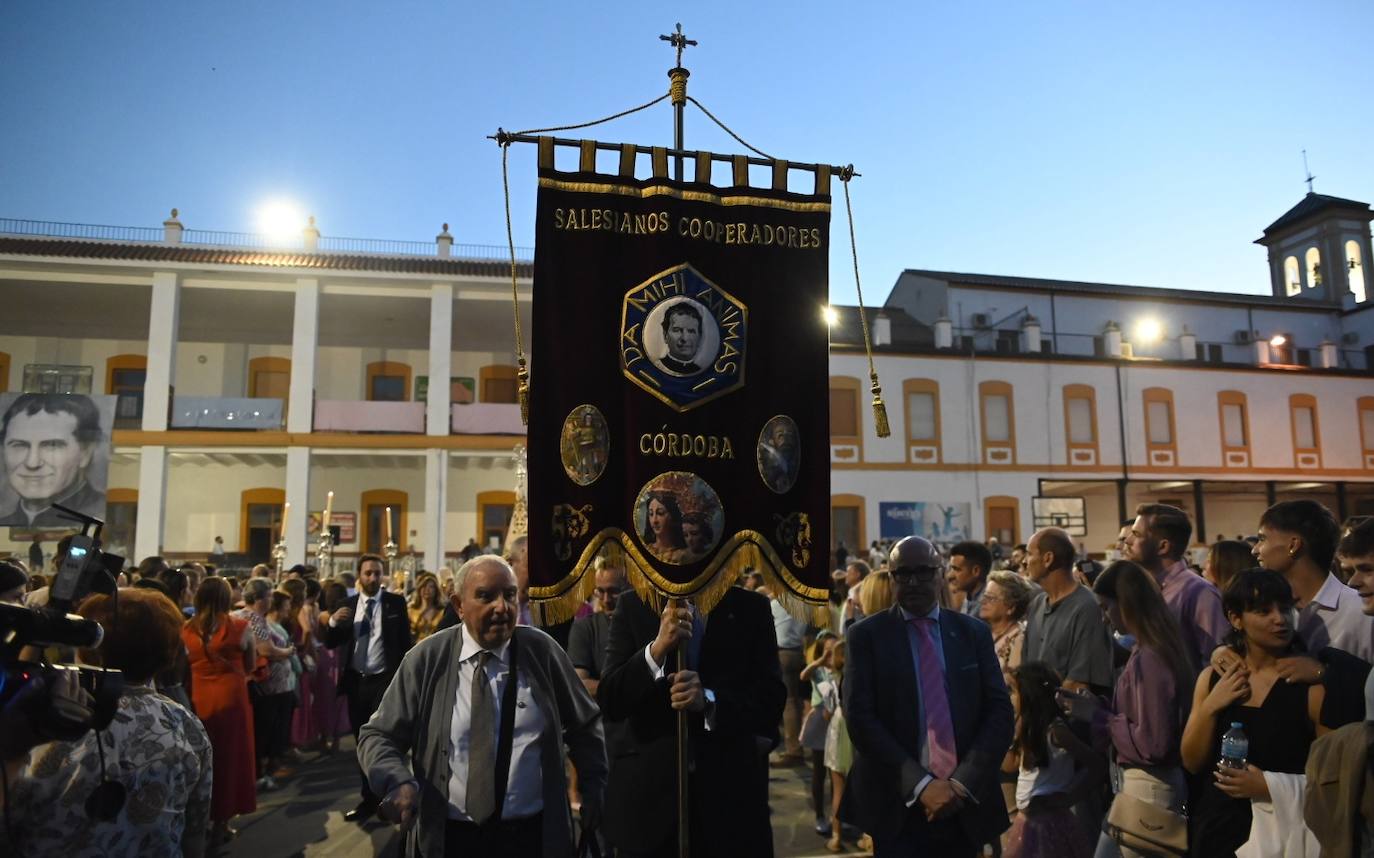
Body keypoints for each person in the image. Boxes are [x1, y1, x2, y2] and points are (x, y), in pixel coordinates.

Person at [357, 555, 606, 858]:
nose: (502, 607)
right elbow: (378, 735)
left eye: (510, 595)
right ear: (458, 604)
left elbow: (584, 725)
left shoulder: (542, 653)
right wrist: (397, 781)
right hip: (450, 837)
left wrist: (595, 789)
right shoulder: (426, 660)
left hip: (530, 837)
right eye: (486, 596)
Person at [1, 588, 212, 858]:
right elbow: (194, 830)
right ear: (168, 654)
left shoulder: (41, 722)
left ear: (88, 647)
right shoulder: (186, 723)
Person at [843, 535, 1015, 857]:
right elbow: (860, 719)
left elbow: (999, 712)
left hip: (963, 802)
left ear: (940, 573)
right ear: (891, 577)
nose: (914, 581)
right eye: (903, 573)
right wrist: (921, 785)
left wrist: (961, 784)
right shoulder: (866, 636)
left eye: (924, 571)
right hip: (899, 804)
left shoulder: (972, 632)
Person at [597, 581, 785, 856]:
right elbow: (611, 700)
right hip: (650, 809)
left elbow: (771, 700)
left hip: (729, 804)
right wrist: (656, 650)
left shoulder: (750, 607)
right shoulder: (634, 605)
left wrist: (709, 701)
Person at [1182, 568, 1326, 857]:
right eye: (1263, 611)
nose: (1279, 619)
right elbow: (1192, 761)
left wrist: (1269, 786)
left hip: (1284, 831)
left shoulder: (1308, 685)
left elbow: (1331, 777)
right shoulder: (1213, 678)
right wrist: (1210, 707)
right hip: (1217, 828)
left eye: (1285, 609)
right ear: (1236, 619)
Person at [1061, 561, 1196, 858]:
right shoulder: (1149, 652)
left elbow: (1153, 743)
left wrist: (1098, 717)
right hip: (1139, 787)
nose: (1106, 618)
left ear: (1127, 604)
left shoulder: (1151, 659)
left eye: (1107, 607)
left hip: (1149, 788)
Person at [322, 553, 413, 823]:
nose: (372, 578)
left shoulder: (395, 603)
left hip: (385, 681)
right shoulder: (347, 605)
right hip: (356, 681)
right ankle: (368, 799)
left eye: (377, 573)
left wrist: (405, 682)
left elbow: (404, 643)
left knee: (384, 739)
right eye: (368, 573)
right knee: (362, 741)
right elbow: (331, 643)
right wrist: (333, 622)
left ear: (383, 575)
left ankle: (390, 796)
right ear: (359, 576)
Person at [183, 576, 257, 846]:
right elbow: (250, 666)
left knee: (202, 760)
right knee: (230, 762)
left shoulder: (186, 629)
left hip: (198, 698)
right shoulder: (241, 627)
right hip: (232, 699)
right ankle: (222, 823)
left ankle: (198, 820)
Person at [1254, 499, 1374, 663]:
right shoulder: (1267, 606)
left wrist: (1324, 673)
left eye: (1262, 539)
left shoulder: (1361, 612)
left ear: (1294, 545)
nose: (1255, 550)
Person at [1005, 662, 1099, 858]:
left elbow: (1097, 764)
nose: (1010, 697)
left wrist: (1071, 796)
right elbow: (1009, 765)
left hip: (1050, 823)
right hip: (1027, 822)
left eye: (1013, 692)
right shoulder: (1028, 730)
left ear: (1030, 696)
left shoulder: (1056, 732)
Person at [1126, 503, 1228, 670]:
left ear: (1163, 546)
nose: (1128, 541)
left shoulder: (1199, 593)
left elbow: (1217, 661)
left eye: (1136, 534)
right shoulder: (1149, 590)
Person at [1022, 528, 1114, 697]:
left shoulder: (1087, 607)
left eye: (1029, 554)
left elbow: (1079, 685)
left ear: (1047, 559)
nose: (1024, 561)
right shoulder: (1037, 604)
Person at [0, 392, 105, 527]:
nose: (32, 463)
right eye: (19, 445)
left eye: (52, 445)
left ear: (85, 453)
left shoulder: (102, 519)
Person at [235, 578, 298, 790]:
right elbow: (266, 650)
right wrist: (288, 652)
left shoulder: (238, 614)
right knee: (268, 733)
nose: (272, 599)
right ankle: (261, 775)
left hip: (265, 685)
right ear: (261, 599)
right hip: (270, 687)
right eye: (270, 595)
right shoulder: (254, 619)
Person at [800, 632, 839, 837]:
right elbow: (803, 676)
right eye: (827, 650)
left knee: (837, 774)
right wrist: (820, 661)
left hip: (837, 722)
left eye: (835, 650)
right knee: (819, 772)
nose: (831, 655)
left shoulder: (840, 668)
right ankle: (819, 815)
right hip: (819, 722)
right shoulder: (818, 670)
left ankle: (837, 817)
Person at [772, 583, 809, 766]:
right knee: (797, 702)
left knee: (789, 703)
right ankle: (800, 743)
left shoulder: (777, 603)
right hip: (799, 652)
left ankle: (794, 750)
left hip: (783, 653)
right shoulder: (805, 602)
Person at [823, 639, 855, 853]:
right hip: (855, 731)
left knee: (838, 788)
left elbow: (826, 713)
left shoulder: (831, 684)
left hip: (837, 729)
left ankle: (836, 837)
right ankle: (869, 836)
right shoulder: (856, 680)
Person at [982, 569, 1033, 674]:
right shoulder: (984, 633)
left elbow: (1012, 683)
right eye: (984, 596)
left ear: (1011, 607)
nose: (983, 601)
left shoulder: (1019, 640)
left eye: (990, 598)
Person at [949, 540, 993, 619]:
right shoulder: (969, 598)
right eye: (951, 569)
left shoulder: (987, 606)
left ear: (976, 571)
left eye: (957, 569)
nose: (950, 575)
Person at [640, 492, 689, 564]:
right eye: (651, 514)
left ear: (673, 516)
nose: (654, 520)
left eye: (660, 513)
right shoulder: (645, 549)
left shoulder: (683, 555)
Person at [659, 302, 704, 375]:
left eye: (691, 331)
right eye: (677, 330)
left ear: (699, 338)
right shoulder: (656, 367)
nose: (684, 338)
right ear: (665, 335)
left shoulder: (702, 372)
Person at [408, 571, 445, 643]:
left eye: (431, 586)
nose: (427, 589)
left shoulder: (442, 612)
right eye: (424, 586)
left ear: (436, 590)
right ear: (419, 589)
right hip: (415, 649)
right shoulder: (411, 611)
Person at [843, 558, 871, 628]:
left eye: (848, 572)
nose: (846, 575)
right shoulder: (851, 592)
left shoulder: (861, 594)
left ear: (857, 574)